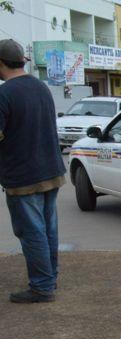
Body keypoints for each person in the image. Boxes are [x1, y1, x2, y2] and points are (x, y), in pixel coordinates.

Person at [0, 39, 66, 303]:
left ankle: (41, 286)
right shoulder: (41, 87)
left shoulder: (5, 93)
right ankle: (50, 278)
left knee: (31, 231)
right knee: (48, 228)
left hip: (23, 175)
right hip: (50, 169)